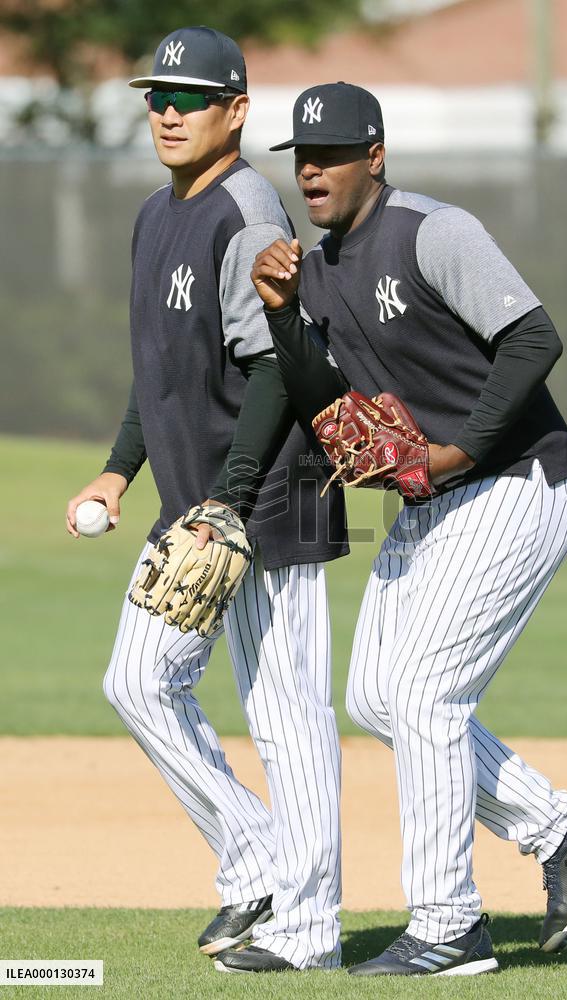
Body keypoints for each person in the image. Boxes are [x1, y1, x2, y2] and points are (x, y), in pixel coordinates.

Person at [251, 82, 567, 976]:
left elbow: (534, 339)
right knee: (380, 697)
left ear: (373, 157)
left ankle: (447, 926)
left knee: (424, 696)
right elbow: (323, 402)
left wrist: (458, 453)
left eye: (332, 153)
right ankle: (564, 830)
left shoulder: (431, 230)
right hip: (434, 500)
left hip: (518, 482)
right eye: (301, 156)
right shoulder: (321, 268)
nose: (312, 169)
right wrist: (280, 311)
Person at [66, 32, 349, 974]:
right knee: (137, 680)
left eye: (191, 95)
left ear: (236, 110)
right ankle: (259, 864)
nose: (169, 111)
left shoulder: (247, 205)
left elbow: (273, 361)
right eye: (157, 96)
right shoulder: (157, 215)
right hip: (207, 502)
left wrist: (229, 499)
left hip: (276, 493)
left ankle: (307, 929)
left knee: (289, 714)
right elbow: (162, 374)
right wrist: (118, 470)